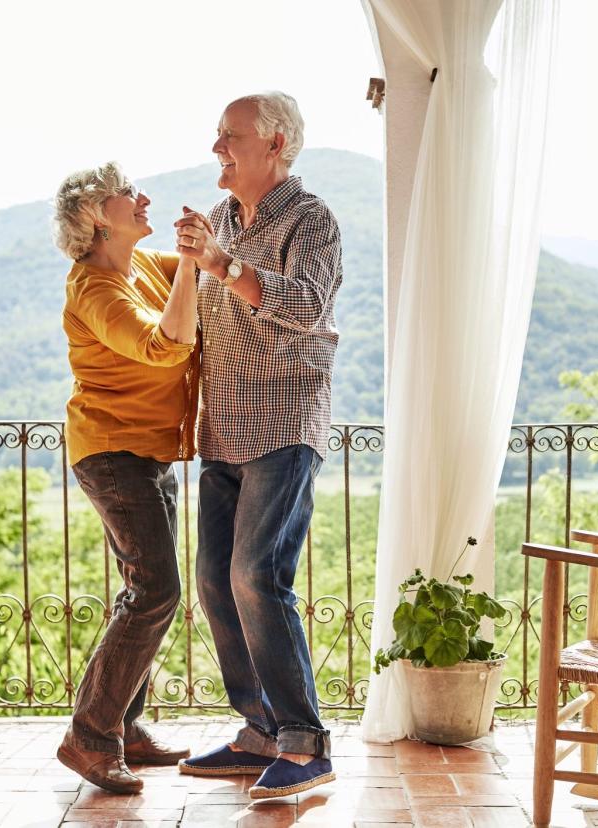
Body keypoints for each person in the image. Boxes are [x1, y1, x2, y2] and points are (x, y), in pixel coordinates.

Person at [174, 92, 343, 799]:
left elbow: (308, 306)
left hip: (283, 424)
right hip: (224, 428)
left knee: (255, 576)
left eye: (231, 136)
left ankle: (305, 747)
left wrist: (223, 265)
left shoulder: (312, 220)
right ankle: (259, 732)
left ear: (275, 144)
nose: (218, 146)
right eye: (217, 135)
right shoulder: (219, 220)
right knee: (215, 580)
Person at [51, 162, 200, 794]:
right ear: (96, 219)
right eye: (125, 195)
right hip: (111, 453)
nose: (143, 199)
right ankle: (89, 737)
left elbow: (211, 280)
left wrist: (203, 249)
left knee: (144, 590)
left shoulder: (139, 265)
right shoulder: (94, 288)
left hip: (149, 452)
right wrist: (194, 264)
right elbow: (167, 344)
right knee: (155, 590)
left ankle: (124, 728)